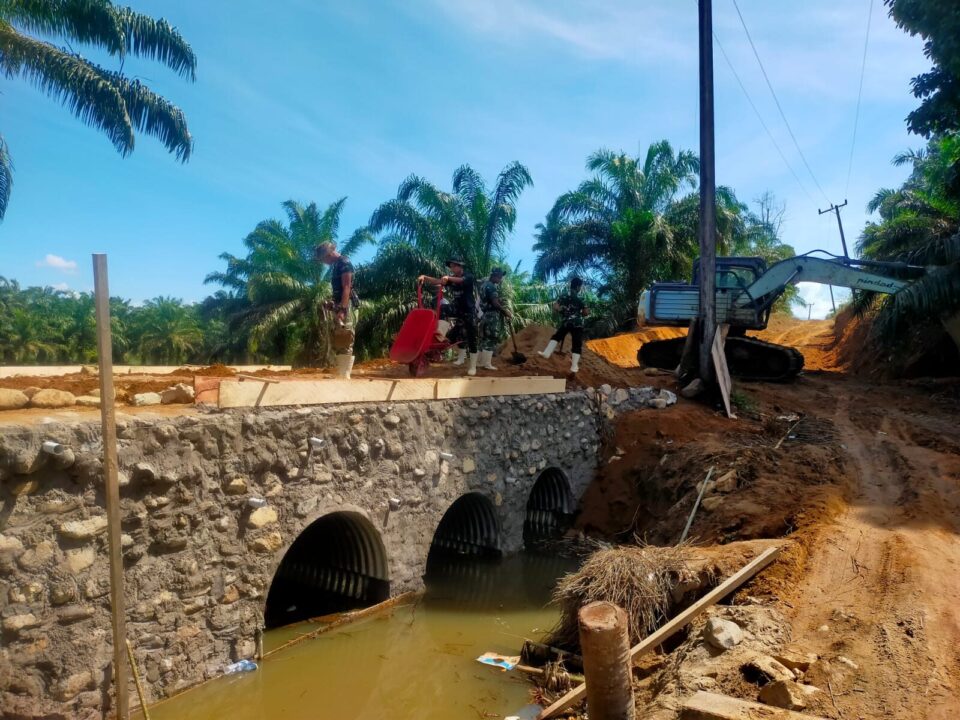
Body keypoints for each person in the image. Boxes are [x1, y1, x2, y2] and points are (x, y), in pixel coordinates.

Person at [418, 259, 478, 375]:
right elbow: (438, 281)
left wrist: (448, 278)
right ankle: (440, 334)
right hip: (457, 309)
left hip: (469, 311)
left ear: (460, 267)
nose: (452, 269)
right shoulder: (451, 278)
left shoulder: (468, 276)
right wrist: (425, 277)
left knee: (471, 337)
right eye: (451, 267)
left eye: (454, 266)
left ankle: (473, 366)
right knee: (443, 309)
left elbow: (461, 280)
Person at [315, 241, 358, 378]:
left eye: (323, 259)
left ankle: (345, 375)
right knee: (338, 338)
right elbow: (339, 291)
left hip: (347, 304)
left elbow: (347, 287)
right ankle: (341, 373)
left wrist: (342, 310)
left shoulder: (344, 263)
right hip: (340, 303)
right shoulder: (336, 266)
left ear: (328, 254)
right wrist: (332, 303)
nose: (323, 262)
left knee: (345, 337)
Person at [538, 277, 589, 374]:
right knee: (576, 344)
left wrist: (562, 311)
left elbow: (555, 307)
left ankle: (546, 353)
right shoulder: (581, 298)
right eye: (580, 287)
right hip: (577, 324)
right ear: (578, 286)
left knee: (557, 336)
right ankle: (574, 367)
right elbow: (586, 312)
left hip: (566, 322)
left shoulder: (564, 295)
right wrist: (580, 314)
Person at [478, 267, 510, 370]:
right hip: (492, 316)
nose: (500, 279)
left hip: (485, 314)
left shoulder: (483, 286)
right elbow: (495, 303)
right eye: (500, 277)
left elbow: (488, 300)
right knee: (491, 338)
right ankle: (487, 364)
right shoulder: (491, 287)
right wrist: (505, 311)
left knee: (484, 339)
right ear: (495, 276)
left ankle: (480, 362)